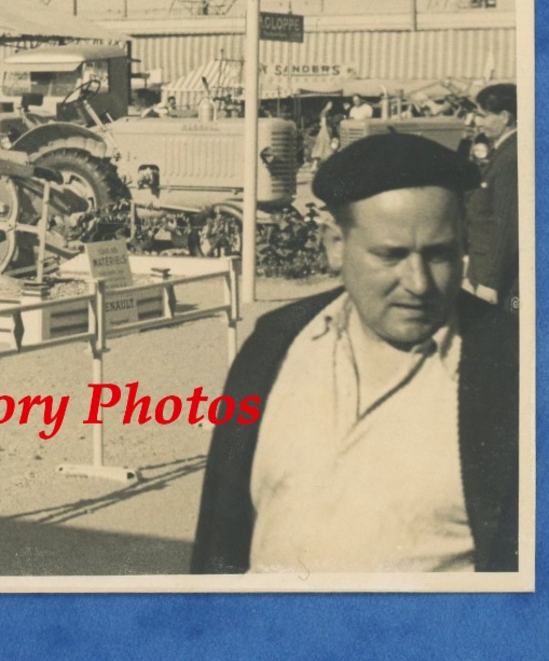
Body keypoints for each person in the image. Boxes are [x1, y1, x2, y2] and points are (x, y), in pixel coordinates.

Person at [192, 132, 518, 574]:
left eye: (440, 255)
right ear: (334, 246)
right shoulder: (273, 345)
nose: (418, 282)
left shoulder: (516, 367)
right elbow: (218, 538)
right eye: (391, 255)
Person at [466, 83, 519, 311]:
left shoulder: (511, 158)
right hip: (483, 267)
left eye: (483, 115)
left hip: (496, 279)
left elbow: (505, 224)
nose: (478, 122)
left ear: (505, 117)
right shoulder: (503, 150)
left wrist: (490, 282)